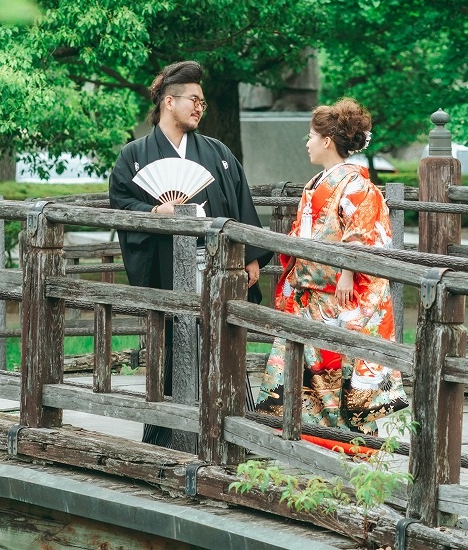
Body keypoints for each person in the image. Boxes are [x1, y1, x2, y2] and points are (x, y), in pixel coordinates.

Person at [109, 60, 272, 446]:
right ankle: (170, 432)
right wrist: (153, 212)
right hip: (166, 267)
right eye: (193, 100)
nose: (200, 107)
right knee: (172, 344)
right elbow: (121, 205)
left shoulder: (219, 154)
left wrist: (250, 256)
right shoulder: (134, 156)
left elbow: (240, 207)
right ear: (169, 101)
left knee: (222, 341)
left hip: (215, 265)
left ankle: (229, 431)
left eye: (203, 102)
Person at [255, 99, 409, 453]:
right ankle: (315, 435)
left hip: (342, 293)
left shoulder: (356, 185)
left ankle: (348, 439)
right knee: (313, 361)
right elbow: (305, 231)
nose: (306, 142)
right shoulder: (319, 181)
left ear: (327, 140)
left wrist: (346, 272)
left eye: (310, 135)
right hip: (313, 290)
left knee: (341, 363)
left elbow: (362, 233)